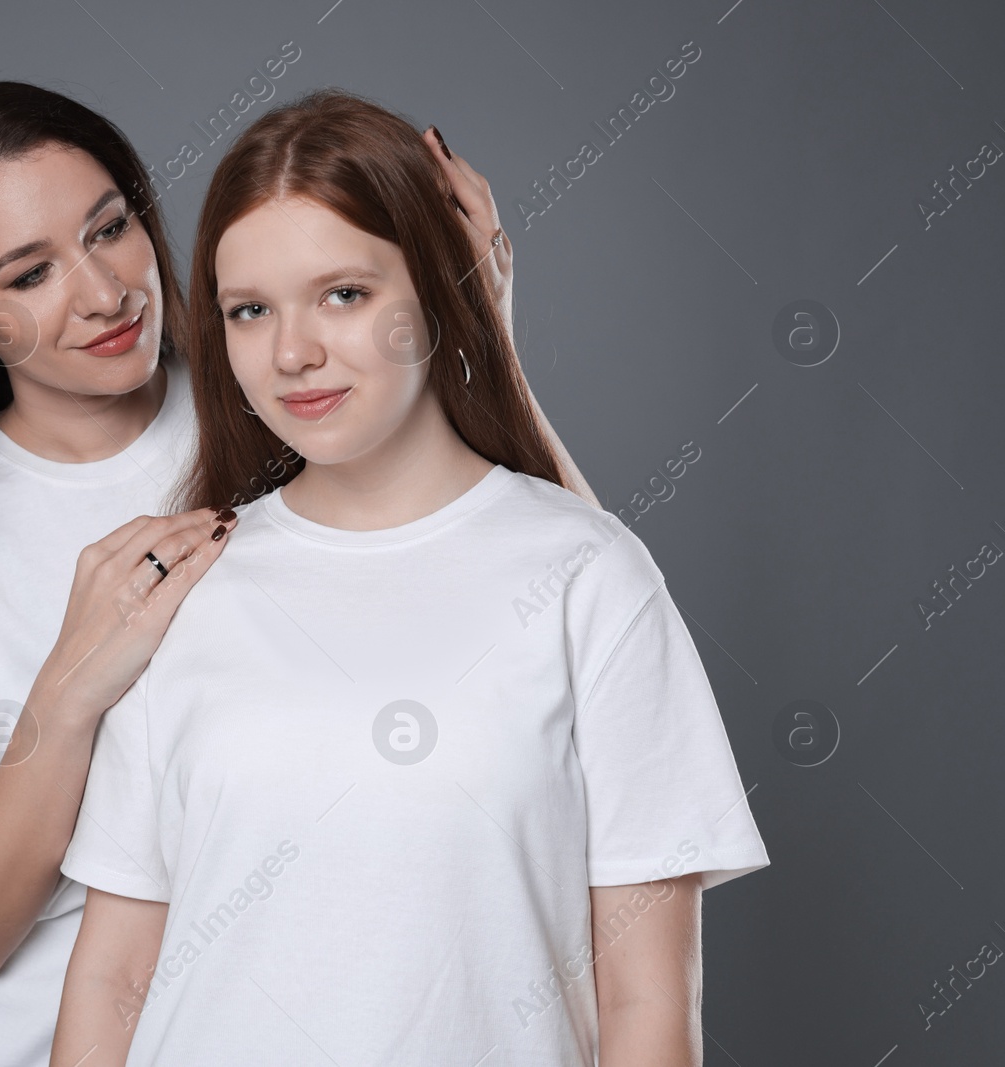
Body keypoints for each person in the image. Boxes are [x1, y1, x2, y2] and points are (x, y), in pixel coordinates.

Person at [0, 81, 594, 1066]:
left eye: (111, 228)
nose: (104, 291)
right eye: (28, 274)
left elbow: (573, 618)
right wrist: (68, 691)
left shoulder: (289, 394)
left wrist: (481, 331)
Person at [52, 88, 769, 1067]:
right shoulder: (183, 587)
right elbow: (113, 973)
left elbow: (647, 997)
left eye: (343, 293)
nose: (293, 351)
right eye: (249, 310)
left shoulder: (587, 576)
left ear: (436, 285)